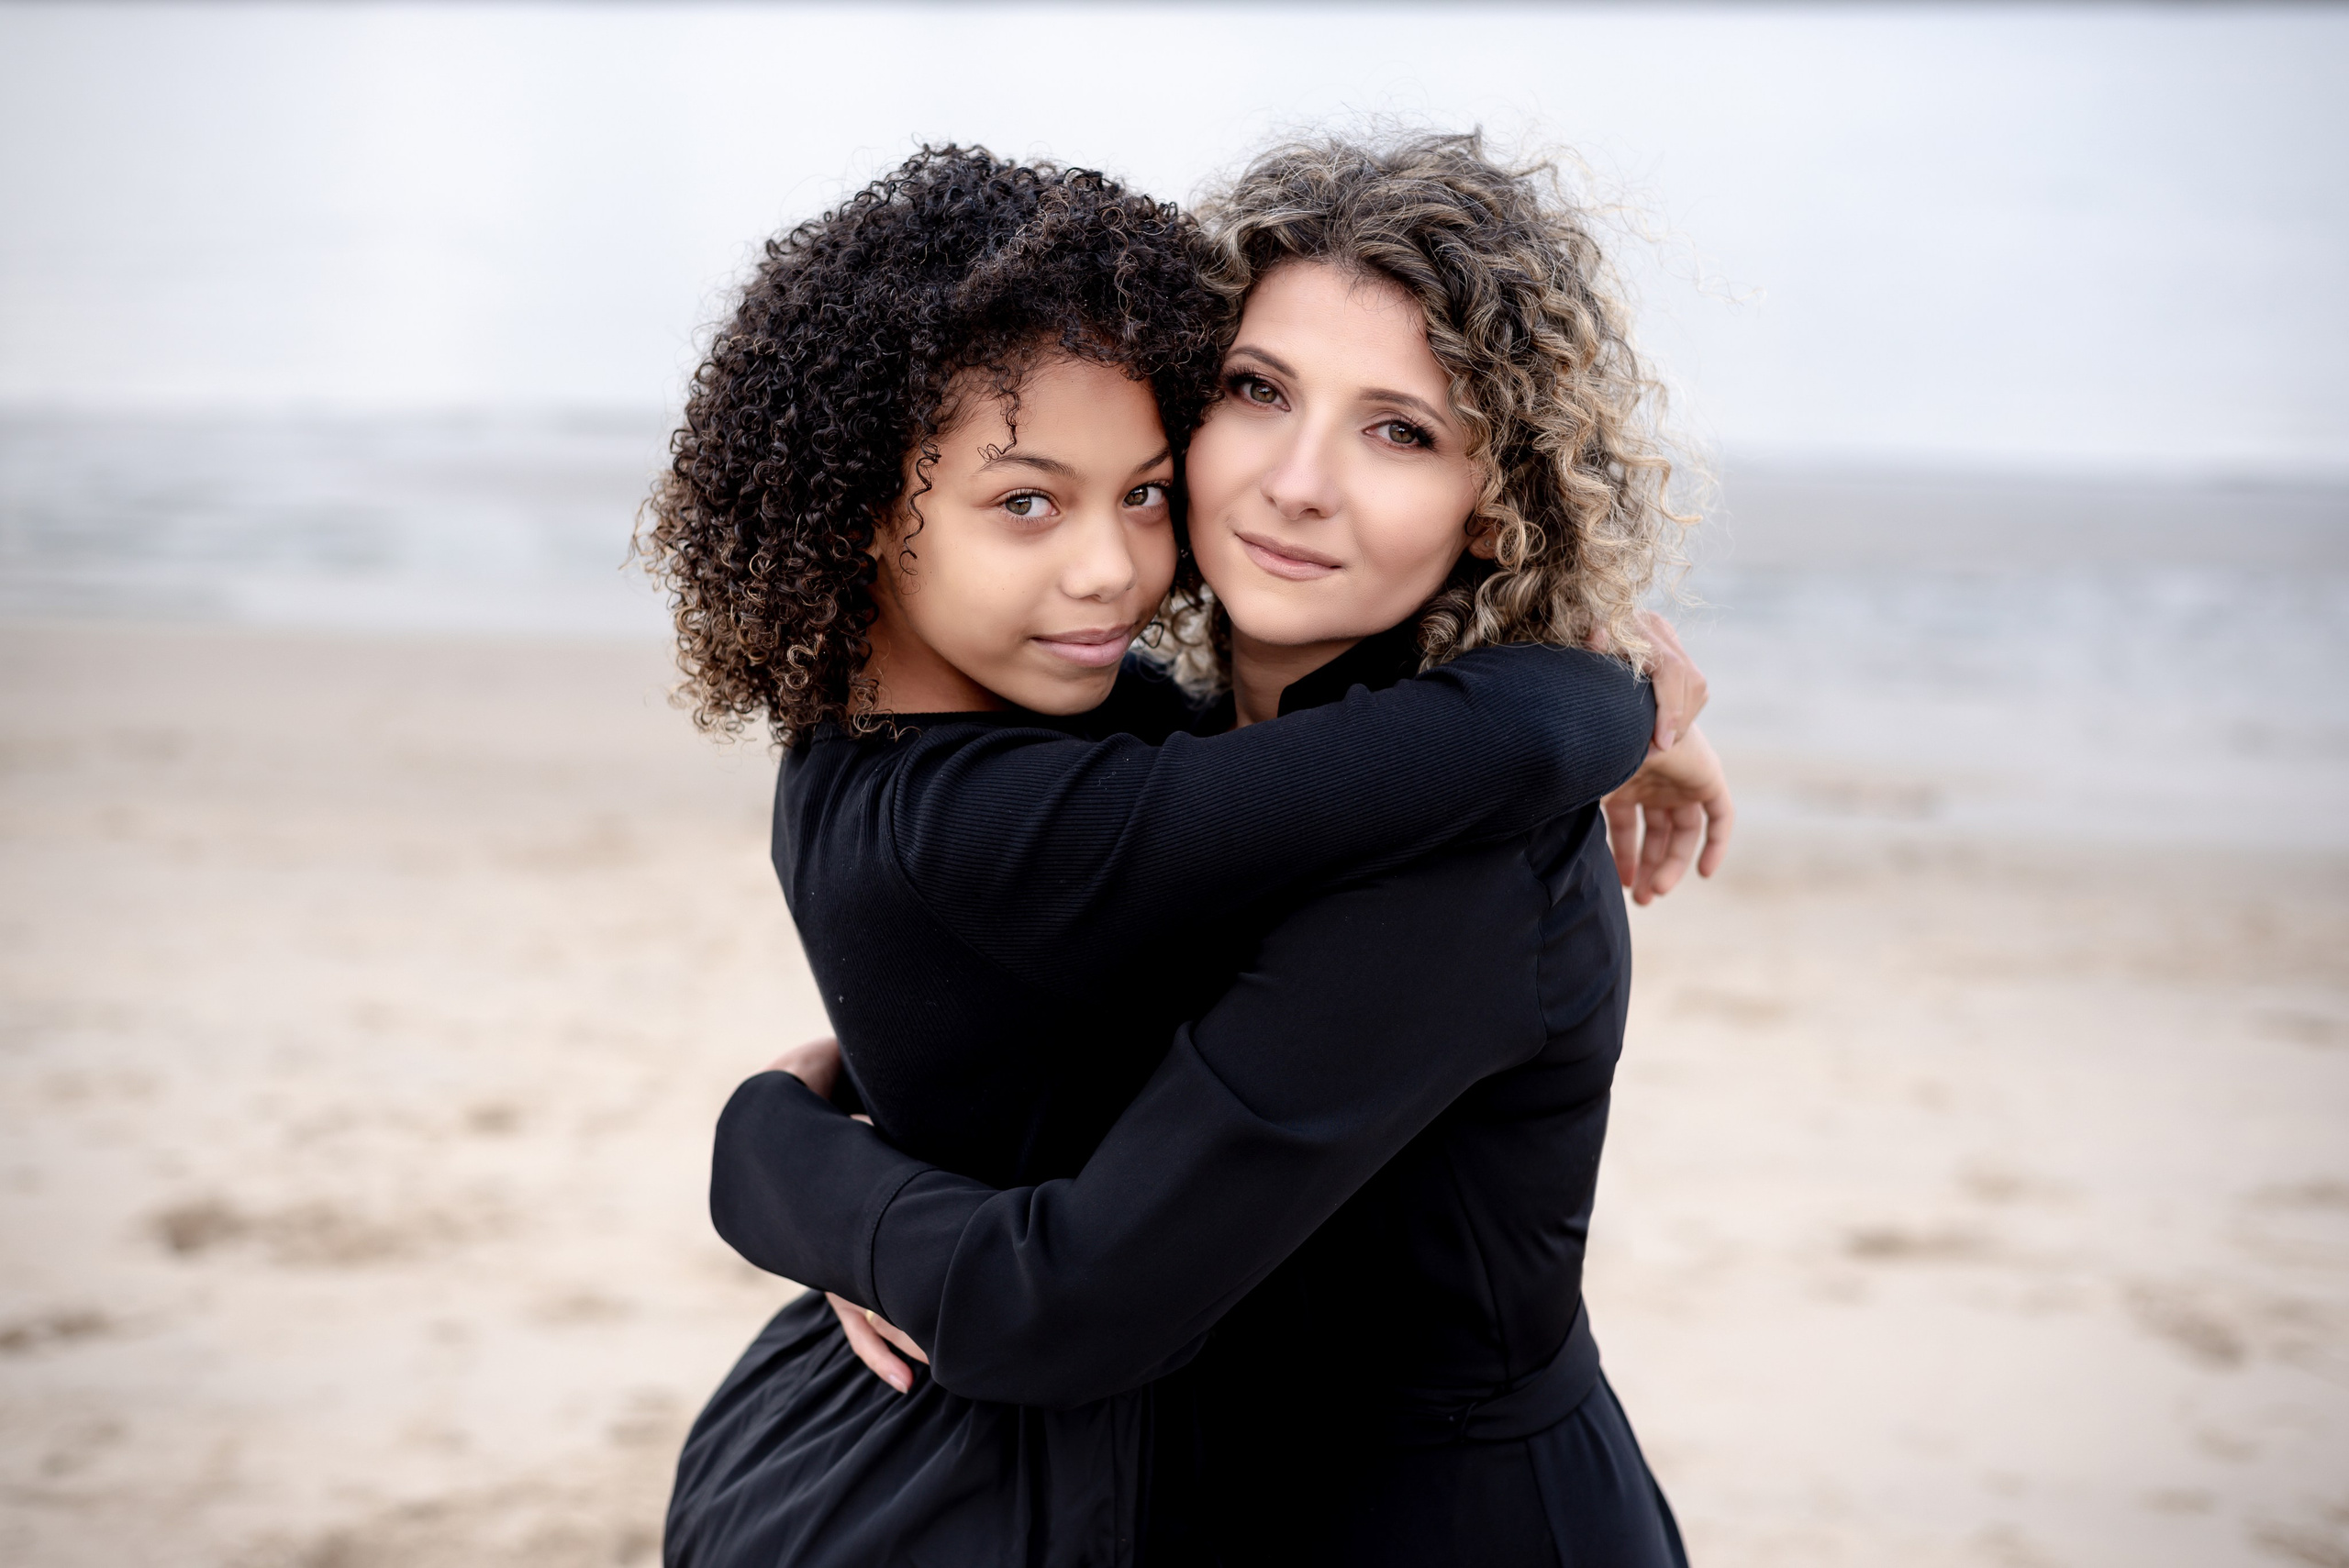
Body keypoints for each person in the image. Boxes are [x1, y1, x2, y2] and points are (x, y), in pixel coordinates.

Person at [641, 143, 1715, 1568]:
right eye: (1256, 393)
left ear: (1501, 501)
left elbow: (1069, 1284)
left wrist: (784, 1156)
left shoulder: (1445, 866)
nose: (1294, 483)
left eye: (1402, 430)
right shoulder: (1172, 754)